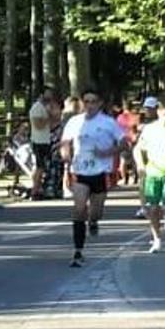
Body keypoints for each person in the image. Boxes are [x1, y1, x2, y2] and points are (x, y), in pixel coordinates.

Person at [59, 87, 128, 267]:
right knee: (79, 208)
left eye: (93, 102)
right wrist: (65, 154)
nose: (89, 105)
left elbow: (123, 143)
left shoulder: (108, 122)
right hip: (80, 170)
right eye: (86, 101)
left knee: (96, 211)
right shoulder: (74, 122)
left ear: (99, 104)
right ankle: (78, 251)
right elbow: (65, 142)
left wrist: (108, 152)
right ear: (82, 103)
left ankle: (94, 221)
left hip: (101, 171)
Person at [134, 98, 165, 253]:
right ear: (158, 111)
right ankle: (157, 239)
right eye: (163, 112)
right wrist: (141, 165)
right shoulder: (149, 129)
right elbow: (138, 149)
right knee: (153, 208)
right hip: (153, 172)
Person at [28, 89, 55, 200]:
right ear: (41, 94)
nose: (50, 96)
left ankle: (39, 189)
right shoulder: (37, 108)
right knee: (40, 167)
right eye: (47, 93)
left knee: (43, 167)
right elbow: (38, 125)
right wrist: (48, 117)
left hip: (45, 140)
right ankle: (34, 191)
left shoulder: (45, 107)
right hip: (38, 141)